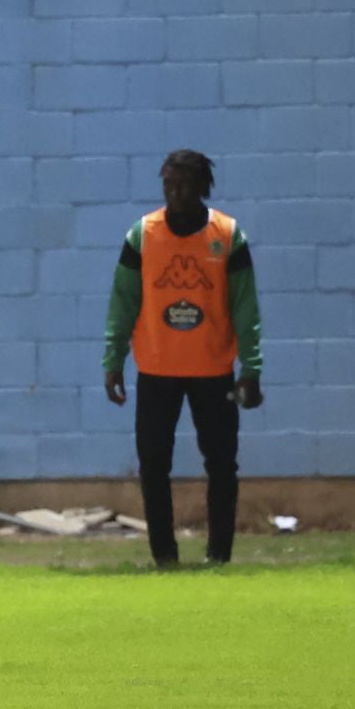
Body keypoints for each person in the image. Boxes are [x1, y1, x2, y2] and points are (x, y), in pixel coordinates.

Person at [103, 149, 264, 567]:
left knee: (222, 464)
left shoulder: (227, 235)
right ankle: (165, 557)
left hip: (214, 371)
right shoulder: (142, 235)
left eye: (184, 185)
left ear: (202, 188)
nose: (174, 193)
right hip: (157, 370)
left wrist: (252, 369)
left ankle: (219, 555)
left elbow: (246, 309)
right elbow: (123, 303)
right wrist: (113, 361)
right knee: (153, 464)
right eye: (168, 185)